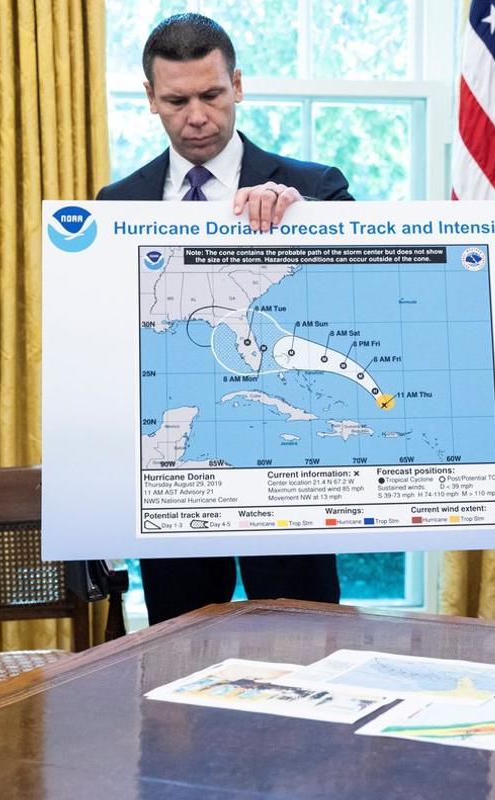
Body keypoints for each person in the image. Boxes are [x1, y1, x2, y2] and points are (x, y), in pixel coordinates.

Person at [98, 13, 348, 624]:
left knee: (305, 650)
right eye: (177, 100)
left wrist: (305, 216)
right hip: (176, 464)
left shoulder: (315, 187)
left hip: (289, 463)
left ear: (237, 84)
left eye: (211, 94)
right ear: (151, 99)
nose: (197, 115)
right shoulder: (115, 205)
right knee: (178, 652)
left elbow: (354, 292)